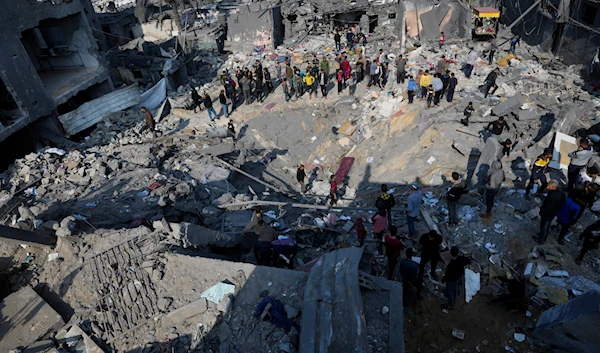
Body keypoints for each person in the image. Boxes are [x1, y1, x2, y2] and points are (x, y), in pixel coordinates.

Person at [441, 246, 470, 310]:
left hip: (451, 279)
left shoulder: (451, 264)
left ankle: (451, 305)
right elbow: (468, 260)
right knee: (455, 288)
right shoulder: (461, 259)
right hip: (458, 278)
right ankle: (454, 299)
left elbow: (447, 274)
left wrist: (443, 279)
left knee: (450, 291)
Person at [417, 230, 443, 298]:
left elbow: (440, 241)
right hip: (426, 254)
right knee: (422, 264)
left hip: (434, 254)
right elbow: (420, 242)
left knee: (433, 264)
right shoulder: (424, 237)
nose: (431, 238)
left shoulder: (438, 238)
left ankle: (432, 272)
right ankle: (420, 275)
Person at [399, 248, 419, 313]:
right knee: (409, 292)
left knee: (405, 291)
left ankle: (405, 303)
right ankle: (407, 304)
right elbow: (415, 275)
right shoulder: (414, 265)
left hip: (404, 279)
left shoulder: (402, 262)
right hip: (411, 280)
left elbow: (400, 271)